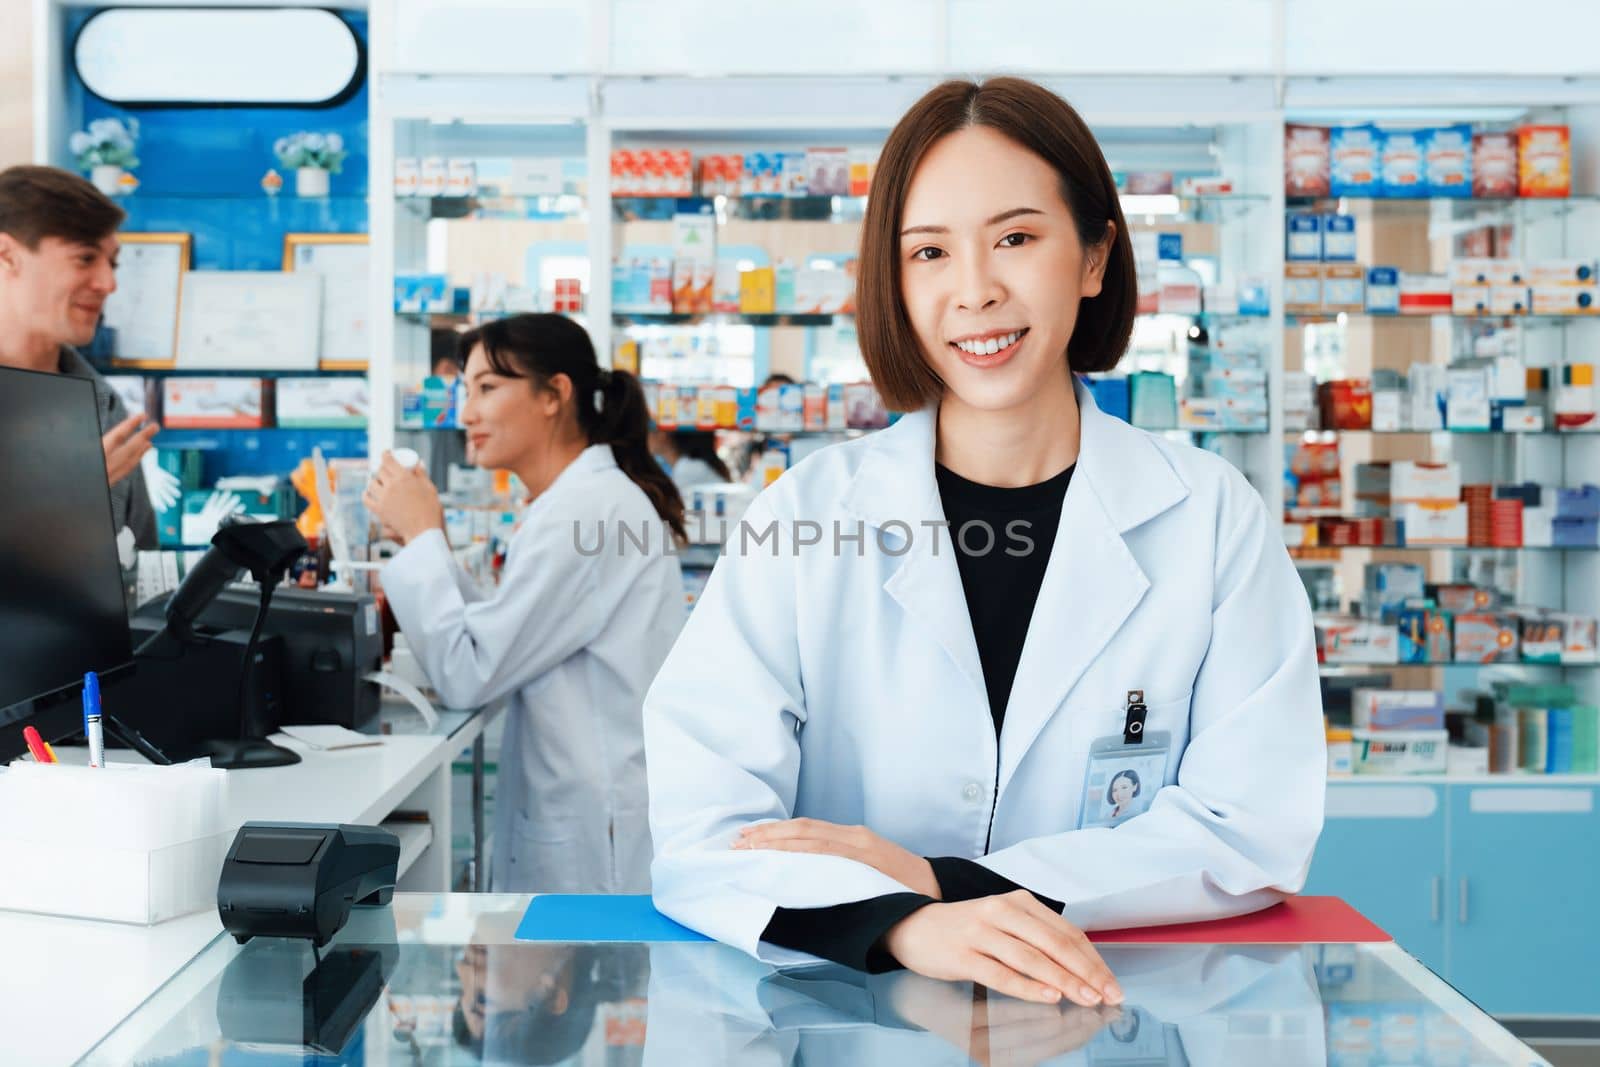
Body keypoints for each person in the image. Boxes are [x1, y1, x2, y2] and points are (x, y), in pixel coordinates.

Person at [644, 78, 1324, 1009]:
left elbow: (1249, 828)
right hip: (852, 1011)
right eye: (929, 251)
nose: (975, 291)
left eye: (1015, 237)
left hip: (1116, 1012)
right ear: (896, 281)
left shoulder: (1210, 518)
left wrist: (940, 878)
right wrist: (905, 920)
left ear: (1093, 257)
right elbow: (705, 829)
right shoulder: (802, 521)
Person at [366, 313, 685, 893]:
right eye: (467, 392)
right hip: (588, 811)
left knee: (580, 981)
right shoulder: (574, 503)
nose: (467, 414)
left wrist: (422, 539)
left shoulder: (584, 510)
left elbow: (470, 671)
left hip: (593, 831)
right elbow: (503, 629)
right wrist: (425, 542)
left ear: (554, 395)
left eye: (487, 388)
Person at [0, 165, 157, 548]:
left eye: (112, 263)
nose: (108, 283)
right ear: (7, 255)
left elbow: (141, 567)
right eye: (85, 258)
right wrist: (66, 492)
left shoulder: (104, 405)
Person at [648, 427, 732, 496]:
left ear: (663, 435)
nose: (647, 435)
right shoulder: (690, 466)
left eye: (651, 430)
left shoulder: (688, 469)